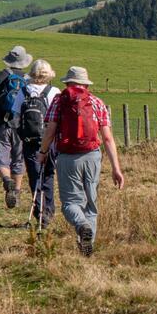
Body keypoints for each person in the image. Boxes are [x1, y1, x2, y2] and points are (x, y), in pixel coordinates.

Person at [37, 66, 124, 256]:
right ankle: (87, 246)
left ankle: (81, 225)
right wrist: (116, 168)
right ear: (85, 84)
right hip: (93, 155)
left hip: (68, 157)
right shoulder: (96, 102)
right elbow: (108, 138)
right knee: (91, 203)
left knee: (70, 203)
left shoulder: (59, 102)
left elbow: (50, 132)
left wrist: (42, 152)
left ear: (67, 83)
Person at [0, 46, 32, 209]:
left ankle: (6, 180)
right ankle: (15, 191)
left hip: (1, 124)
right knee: (18, 158)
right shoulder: (29, 79)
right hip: (21, 126)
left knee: (1, 157)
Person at [13, 59, 60, 229]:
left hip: (29, 142)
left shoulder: (23, 91)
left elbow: (15, 116)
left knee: (34, 176)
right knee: (48, 174)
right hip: (49, 140)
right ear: (49, 75)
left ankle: (39, 212)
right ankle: (48, 212)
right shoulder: (54, 91)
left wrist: (21, 135)